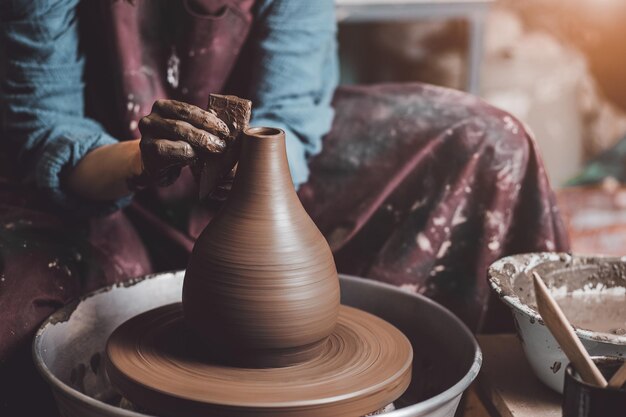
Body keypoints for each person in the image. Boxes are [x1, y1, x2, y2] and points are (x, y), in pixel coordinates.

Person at [0, 0, 568, 414]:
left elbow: (287, 118)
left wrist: (259, 177)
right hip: (100, 186)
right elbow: (43, 128)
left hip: (273, 185)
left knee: (489, 143)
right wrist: (137, 161)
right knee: (17, 316)